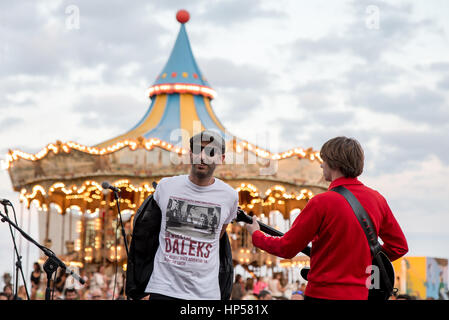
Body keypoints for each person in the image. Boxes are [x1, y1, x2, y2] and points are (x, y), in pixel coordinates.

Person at [246, 136, 408, 300]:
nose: (322, 165)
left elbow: (287, 248)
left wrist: (256, 235)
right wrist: (365, 262)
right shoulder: (377, 199)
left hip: (322, 294)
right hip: (360, 294)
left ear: (334, 163)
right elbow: (399, 246)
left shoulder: (321, 202)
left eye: (323, 160)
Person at [143, 130, 239, 300]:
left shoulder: (229, 196)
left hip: (205, 293)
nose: (202, 156)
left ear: (221, 159)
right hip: (164, 289)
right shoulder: (166, 187)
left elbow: (218, 235)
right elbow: (149, 230)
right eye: (197, 150)